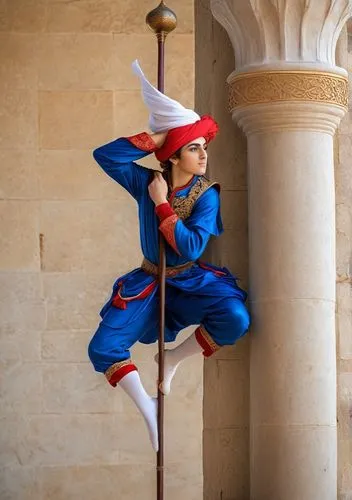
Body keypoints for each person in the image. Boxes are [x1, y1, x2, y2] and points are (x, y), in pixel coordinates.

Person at [88, 61, 250, 452]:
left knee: (235, 317)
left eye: (203, 147)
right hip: (148, 281)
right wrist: (156, 136)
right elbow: (105, 156)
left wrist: (162, 206)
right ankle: (146, 405)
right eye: (194, 147)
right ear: (173, 154)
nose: (203, 154)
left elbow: (192, 247)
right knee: (103, 347)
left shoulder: (205, 193)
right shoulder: (146, 180)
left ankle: (174, 358)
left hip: (189, 280)